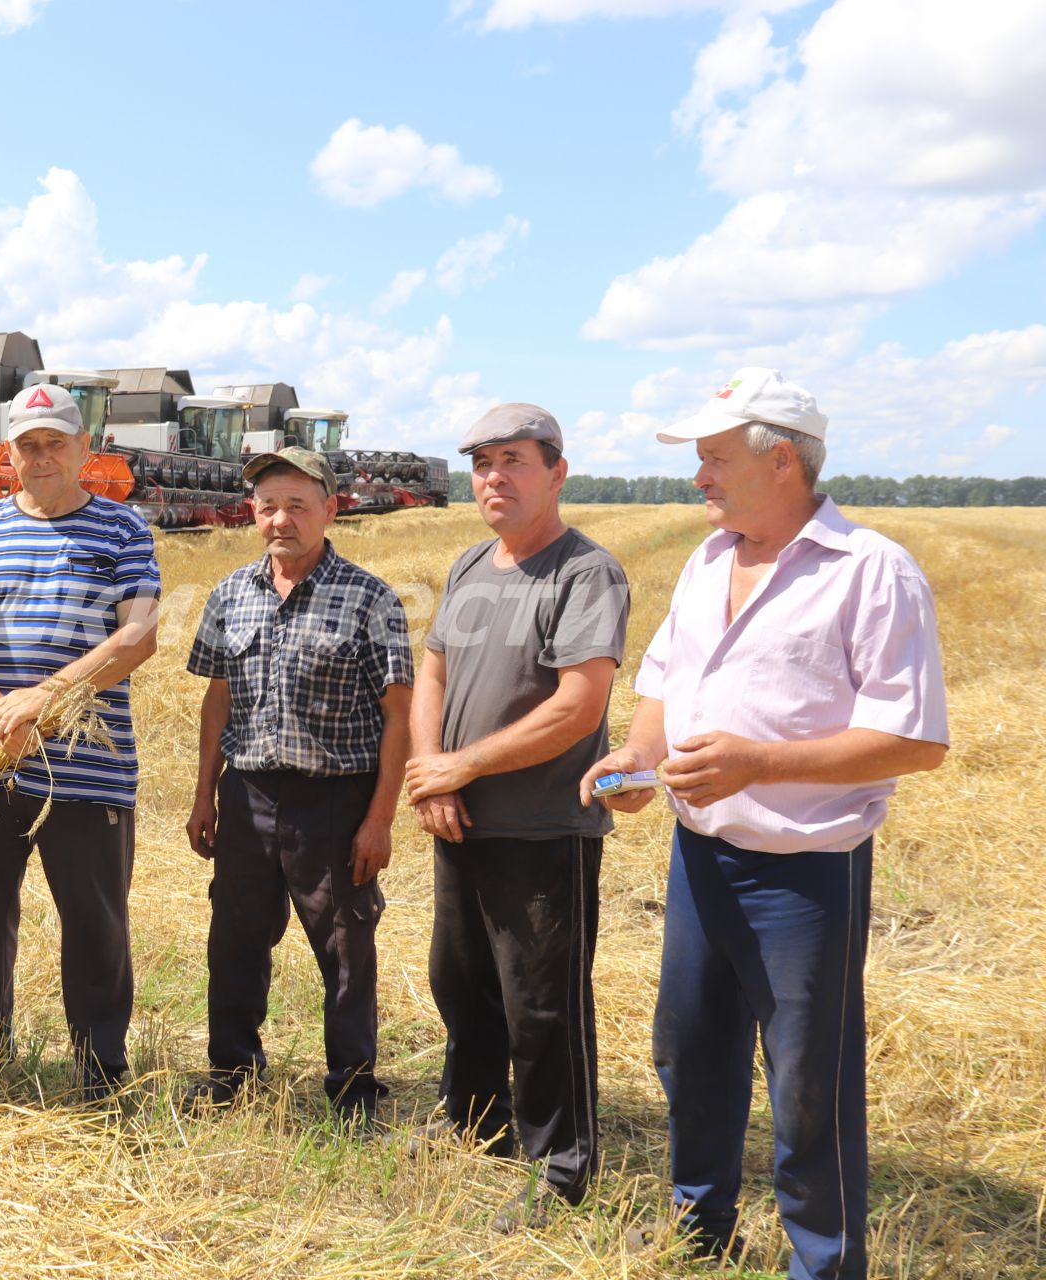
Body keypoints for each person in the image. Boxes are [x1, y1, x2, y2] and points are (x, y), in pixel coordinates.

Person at [581, 368, 948, 1279]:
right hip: (701, 856)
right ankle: (698, 1229)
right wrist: (633, 759)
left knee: (804, 1082)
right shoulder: (710, 560)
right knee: (690, 1051)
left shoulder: (872, 571)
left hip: (807, 874)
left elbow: (913, 739)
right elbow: (665, 681)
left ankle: (823, 1261)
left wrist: (763, 762)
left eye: (712, 459)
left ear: (780, 459)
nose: (697, 478)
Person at [403, 404, 629, 1228]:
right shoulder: (471, 565)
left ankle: (562, 1168)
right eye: (483, 462)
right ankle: (476, 1125)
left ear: (557, 472)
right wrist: (433, 780)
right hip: (460, 821)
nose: (494, 477)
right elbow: (433, 673)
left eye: (514, 461)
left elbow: (578, 707)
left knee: (542, 1005)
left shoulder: (584, 574)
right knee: (461, 985)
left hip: (542, 830)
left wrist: (461, 765)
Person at [0, 381, 161, 1102]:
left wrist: (47, 696)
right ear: (9, 452)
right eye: (27, 445)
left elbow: (138, 635)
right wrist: (1, 711)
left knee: (95, 919)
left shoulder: (123, 529)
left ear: (83, 449)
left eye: (54, 444)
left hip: (90, 764)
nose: (40, 457)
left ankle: (99, 1069)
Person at [182, 447, 412, 1129]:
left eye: (297, 505)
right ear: (253, 513)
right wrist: (204, 794)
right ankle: (231, 1072)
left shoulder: (370, 598)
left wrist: (379, 820)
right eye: (267, 506)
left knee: (344, 946)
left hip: (334, 802)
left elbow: (400, 713)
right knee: (235, 940)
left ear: (331, 510)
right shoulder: (230, 594)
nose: (281, 519)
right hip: (248, 795)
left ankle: (353, 1088)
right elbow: (217, 701)